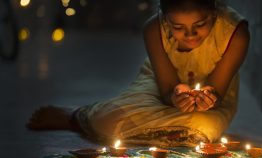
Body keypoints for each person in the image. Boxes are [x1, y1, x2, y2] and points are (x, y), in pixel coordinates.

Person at [27, 0, 250, 147]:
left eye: (199, 25)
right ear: (164, 18)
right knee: (110, 117)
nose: (190, 35)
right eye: (178, 27)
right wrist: (175, 94)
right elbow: (165, 90)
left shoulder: (234, 32)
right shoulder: (154, 29)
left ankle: (154, 132)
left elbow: (218, 91)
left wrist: (208, 96)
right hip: (159, 83)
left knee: (204, 129)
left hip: (212, 104)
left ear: (213, 13)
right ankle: (76, 116)